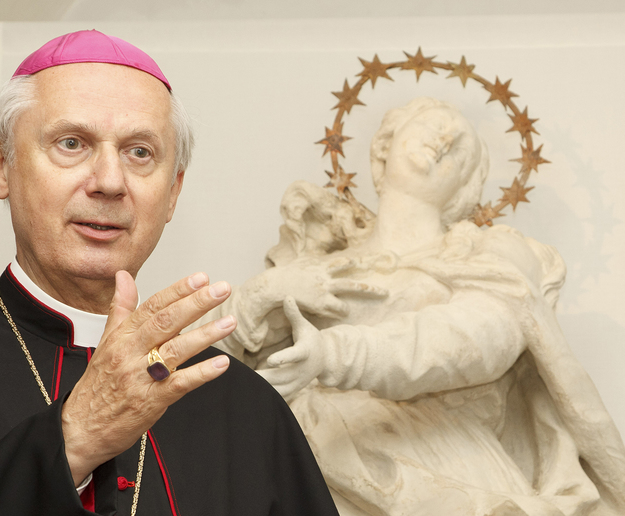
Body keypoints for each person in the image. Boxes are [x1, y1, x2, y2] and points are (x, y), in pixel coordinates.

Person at [0, 30, 338, 516]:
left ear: (173, 192)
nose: (109, 181)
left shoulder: (246, 410)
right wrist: (74, 439)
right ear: (0, 166)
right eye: (71, 143)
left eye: (140, 153)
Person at [210, 98, 625, 515]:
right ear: (383, 147)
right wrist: (260, 294)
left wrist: (333, 355)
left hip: (435, 461)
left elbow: (475, 339)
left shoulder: (485, 255)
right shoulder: (310, 267)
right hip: (308, 454)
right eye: (432, 123)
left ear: (465, 188)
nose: (446, 138)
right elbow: (208, 367)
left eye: (462, 148)